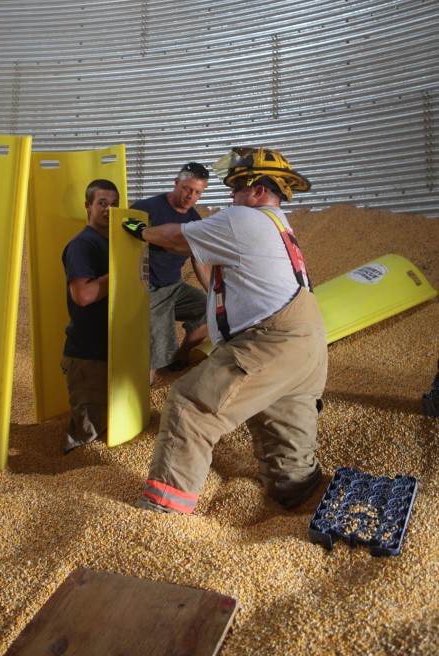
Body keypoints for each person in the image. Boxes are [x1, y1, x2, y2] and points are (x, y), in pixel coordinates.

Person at [123, 146, 328, 514]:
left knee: (191, 405)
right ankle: (303, 497)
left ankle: (161, 513)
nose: (231, 197)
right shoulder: (280, 225)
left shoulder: (243, 218)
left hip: (271, 340)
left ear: (258, 190)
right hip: (307, 343)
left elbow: (177, 238)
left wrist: (141, 232)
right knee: (285, 444)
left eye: (236, 188)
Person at [131, 162, 211, 382]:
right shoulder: (146, 208)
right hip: (149, 287)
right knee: (158, 342)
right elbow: (122, 245)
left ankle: (179, 360)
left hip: (173, 286)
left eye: (197, 193)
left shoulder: (194, 221)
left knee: (209, 310)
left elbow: (199, 262)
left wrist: (217, 296)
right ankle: (144, 386)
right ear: (176, 183)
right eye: (187, 189)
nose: (190, 196)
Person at [60, 179, 120, 453]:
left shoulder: (118, 241)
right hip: (87, 356)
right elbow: (82, 295)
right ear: (88, 206)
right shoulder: (83, 244)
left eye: (114, 204)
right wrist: (121, 271)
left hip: (112, 351)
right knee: (87, 436)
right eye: (102, 203)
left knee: (110, 426)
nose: (109, 209)